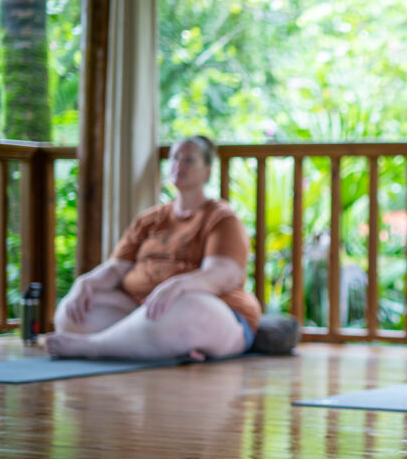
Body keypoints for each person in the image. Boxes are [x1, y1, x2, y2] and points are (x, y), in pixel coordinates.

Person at [45, 136, 261, 361]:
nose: (179, 164)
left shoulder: (221, 218)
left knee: (186, 306)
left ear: (206, 172)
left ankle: (95, 347)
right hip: (143, 310)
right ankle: (148, 343)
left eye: (188, 160)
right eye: (175, 158)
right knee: (72, 311)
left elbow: (221, 275)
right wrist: (86, 283)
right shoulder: (149, 219)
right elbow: (117, 268)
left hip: (217, 314)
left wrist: (179, 285)